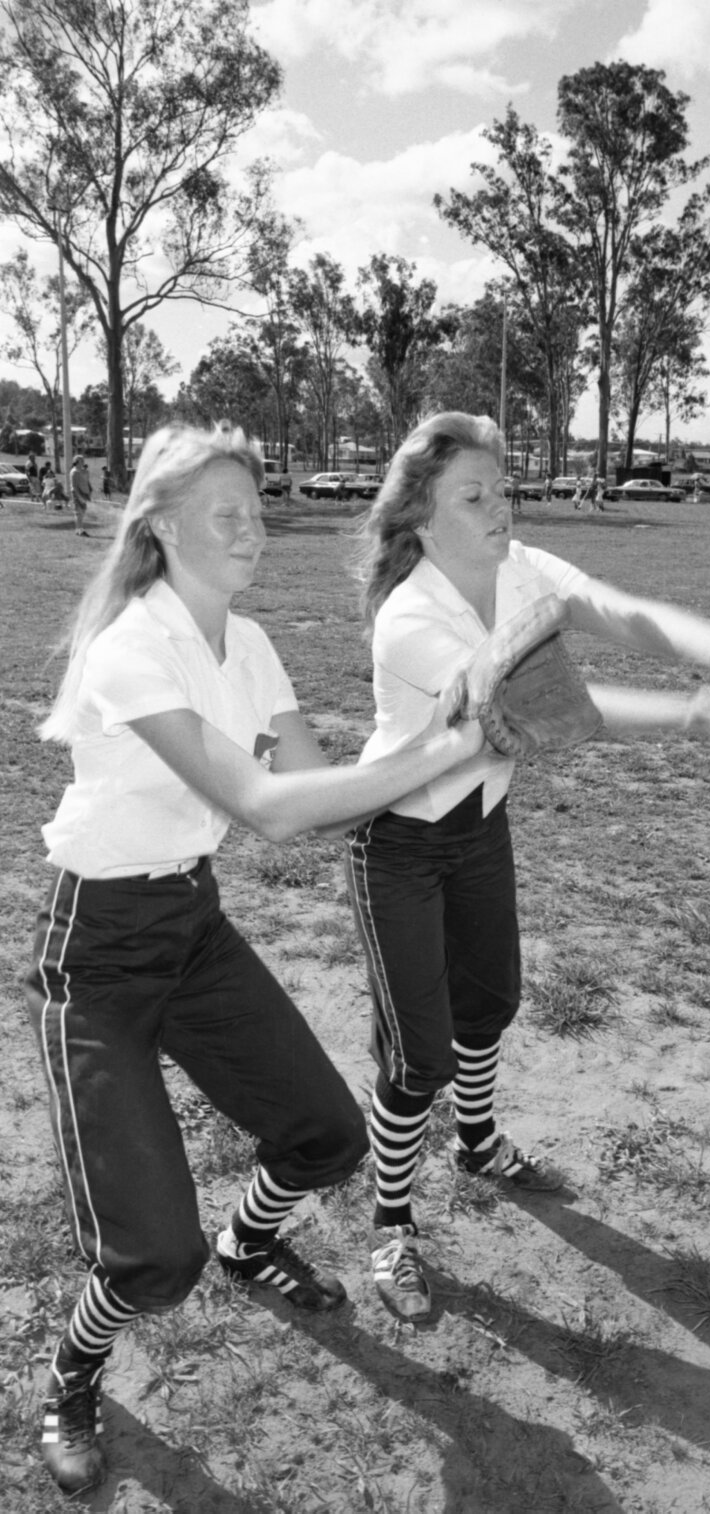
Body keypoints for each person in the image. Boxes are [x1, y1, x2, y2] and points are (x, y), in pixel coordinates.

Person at [26, 422, 483, 1496]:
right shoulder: (131, 646)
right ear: (162, 525)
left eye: (256, 507)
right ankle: (73, 1372)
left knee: (325, 1133)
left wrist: (446, 724)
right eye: (225, 512)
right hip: (96, 951)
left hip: (191, 925)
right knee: (151, 1258)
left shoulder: (254, 642)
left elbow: (319, 785)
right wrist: (452, 743)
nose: (253, 528)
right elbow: (268, 807)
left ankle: (248, 1241)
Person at [345, 412, 710, 1323]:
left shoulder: (518, 569)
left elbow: (610, 607)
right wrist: (689, 714)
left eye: (503, 491)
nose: (500, 509)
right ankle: (391, 1223)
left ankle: (476, 1146)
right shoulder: (410, 618)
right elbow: (546, 705)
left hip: (478, 824)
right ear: (420, 519)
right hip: (397, 843)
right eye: (474, 497)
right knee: (417, 1058)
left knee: (492, 1004)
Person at [70, 454, 92, 536]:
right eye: (82, 461)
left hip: (84, 493)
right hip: (77, 493)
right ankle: (80, 530)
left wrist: (89, 491)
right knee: (78, 512)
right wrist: (79, 497)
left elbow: (86, 482)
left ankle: (79, 529)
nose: (83, 462)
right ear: (77, 462)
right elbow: (74, 486)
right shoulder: (74, 472)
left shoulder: (82, 471)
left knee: (82, 512)